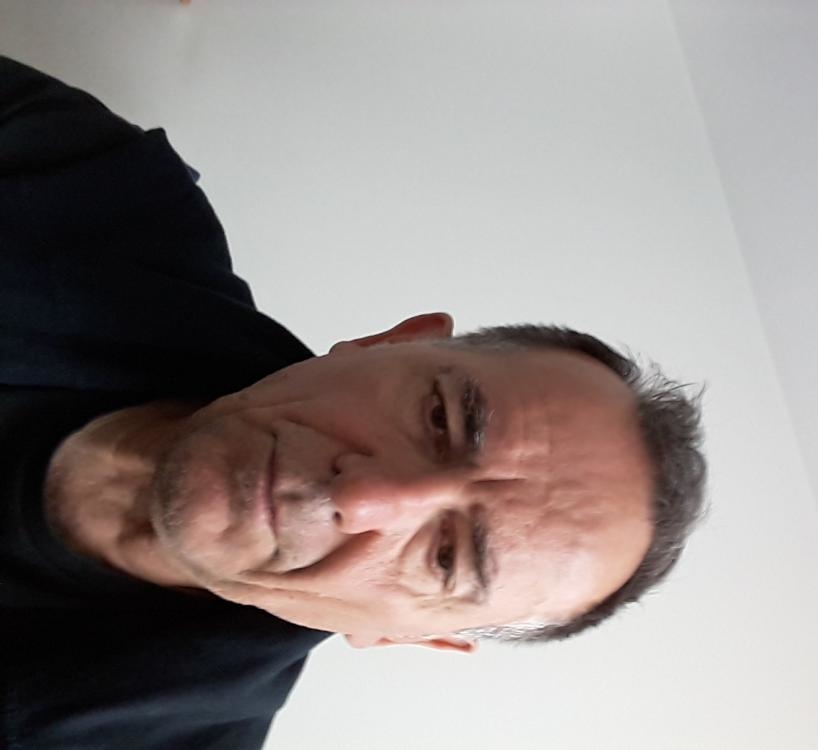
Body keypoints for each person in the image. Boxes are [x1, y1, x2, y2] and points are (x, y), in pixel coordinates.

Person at [0, 57, 706, 749]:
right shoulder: (84, 184)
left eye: (445, 556)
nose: (365, 497)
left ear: (399, 636)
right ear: (387, 343)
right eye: (440, 420)